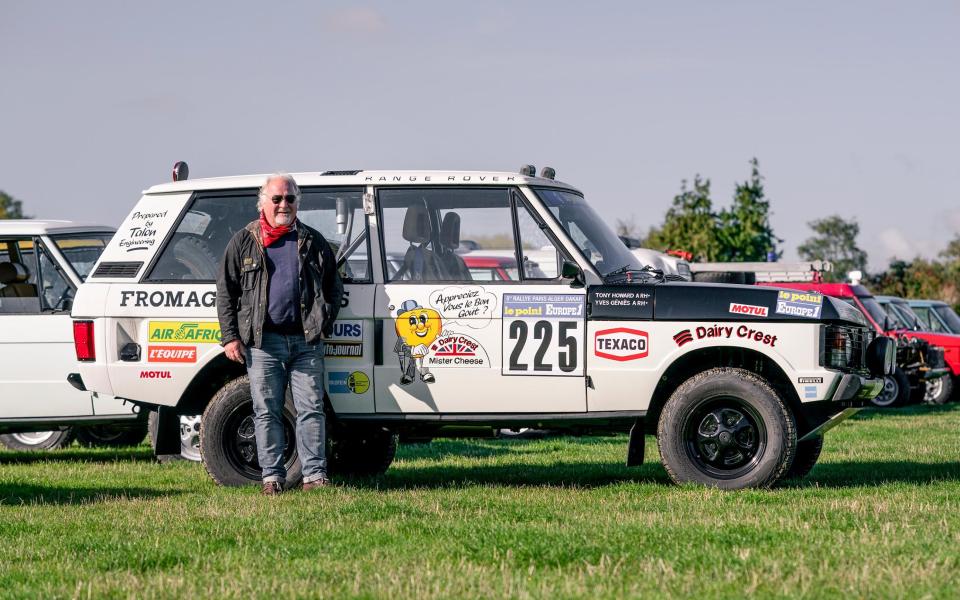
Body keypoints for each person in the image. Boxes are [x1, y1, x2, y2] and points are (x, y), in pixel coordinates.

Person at [216, 173, 343, 495]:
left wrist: (323, 322)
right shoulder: (244, 240)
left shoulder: (313, 241)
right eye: (277, 199)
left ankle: (315, 477)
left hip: (306, 342)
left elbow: (333, 285)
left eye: (289, 198)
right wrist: (230, 337)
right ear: (263, 202)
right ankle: (271, 478)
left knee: (311, 409)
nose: (283, 204)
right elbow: (225, 292)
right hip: (263, 343)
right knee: (266, 411)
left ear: (297, 202)